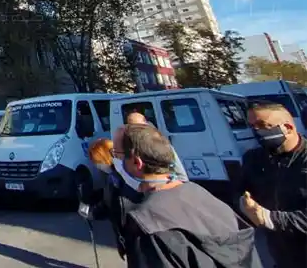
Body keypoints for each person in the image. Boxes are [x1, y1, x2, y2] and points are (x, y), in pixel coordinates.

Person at [119, 123, 258, 267]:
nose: (117, 162)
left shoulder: (147, 222)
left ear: (137, 162)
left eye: (118, 155)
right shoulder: (203, 195)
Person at [240, 102, 306, 268]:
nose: (256, 131)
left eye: (262, 125)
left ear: (288, 128)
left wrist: (269, 218)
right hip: (280, 254)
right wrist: (244, 204)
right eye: (252, 126)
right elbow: (241, 191)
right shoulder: (253, 159)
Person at [79, 134, 144, 260]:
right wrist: (91, 206)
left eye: (97, 162)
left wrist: (92, 212)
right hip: (127, 233)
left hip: (136, 233)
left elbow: (114, 206)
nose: (96, 165)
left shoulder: (122, 176)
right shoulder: (111, 175)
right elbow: (107, 200)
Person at [125, 111, 189, 182]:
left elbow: (180, 174)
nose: (136, 131)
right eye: (133, 127)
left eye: (138, 127)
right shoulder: (132, 145)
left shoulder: (158, 142)